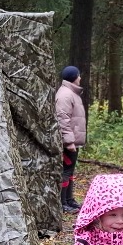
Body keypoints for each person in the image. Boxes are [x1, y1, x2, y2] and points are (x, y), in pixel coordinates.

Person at [55, 65, 86, 213]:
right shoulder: (65, 95)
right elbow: (63, 119)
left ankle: (69, 199)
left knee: (70, 171)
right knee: (65, 171)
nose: (80, 78)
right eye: (78, 75)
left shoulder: (72, 93)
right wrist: (68, 141)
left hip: (74, 140)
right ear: (74, 77)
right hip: (68, 142)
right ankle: (62, 203)